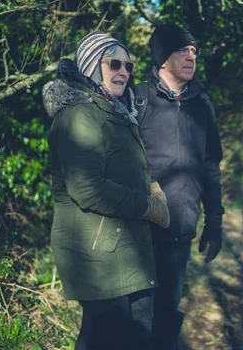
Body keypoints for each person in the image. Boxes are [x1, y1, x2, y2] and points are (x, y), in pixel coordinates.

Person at [43, 31, 170, 350]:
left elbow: (120, 167)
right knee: (107, 340)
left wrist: (150, 185)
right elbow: (88, 189)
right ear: (89, 66)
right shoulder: (78, 116)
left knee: (136, 336)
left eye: (128, 65)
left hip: (127, 249)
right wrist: (148, 206)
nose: (124, 71)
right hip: (99, 255)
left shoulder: (115, 112)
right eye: (114, 63)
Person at [133, 24, 225, 349]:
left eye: (194, 51)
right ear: (162, 57)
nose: (191, 55)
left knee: (167, 318)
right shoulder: (138, 99)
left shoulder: (202, 104)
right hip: (138, 234)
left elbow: (211, 165)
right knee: (137, 321)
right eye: (183, 49)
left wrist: (215, 220)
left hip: (179, 234)